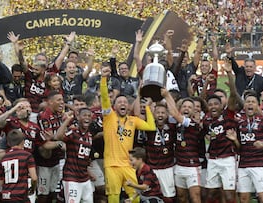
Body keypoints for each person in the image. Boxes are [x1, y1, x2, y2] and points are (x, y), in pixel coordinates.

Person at [100, 66, 156, 203]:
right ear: (114, 106)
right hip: (112, 165)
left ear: (128, 107)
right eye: (119, 102)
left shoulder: (133, 120)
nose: (123, 104)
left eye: (125, 102)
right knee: (113, 196)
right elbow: (105, 98)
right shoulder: (109, 117)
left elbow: (151, 127)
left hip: (128, 164)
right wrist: (103, 79)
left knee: (134, 196)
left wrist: (147, 108)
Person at [229, 92, 263, 203]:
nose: (250, 104)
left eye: (253, 102)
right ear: (244, 105)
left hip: (259, 165)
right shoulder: (239, 122)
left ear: (257, 106)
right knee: (244, 199)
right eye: (248, 102)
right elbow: (240, 148)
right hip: (243, 165)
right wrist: (235, 140)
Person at [202, 58, 239, 203]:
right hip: (212, 159)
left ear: (220, 105)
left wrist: (229, 73)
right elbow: (201, 99)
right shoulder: (206, 120)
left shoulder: (228, 114)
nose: (213, 106)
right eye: (210, 104)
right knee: (211, 195)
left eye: (216, 104)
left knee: (229, 196)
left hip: (228, 160)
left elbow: (234, 96)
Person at [161, 88, 205, 203]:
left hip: (192, 167)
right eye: (184, 106)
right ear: (181, 108)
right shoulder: (176, 124)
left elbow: (175, 114)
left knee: (195, 197)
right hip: (179, 165)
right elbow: (171, 114)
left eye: (190, 107)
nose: (187, 108)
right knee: (181, 198)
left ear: (193, 111)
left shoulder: (192, 124)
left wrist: (167, 95)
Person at [55, 108, 94, 203]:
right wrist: (67, 121)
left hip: (84, 178)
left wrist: (89, 173)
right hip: (71, 177)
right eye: (84, 115)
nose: (87, 118)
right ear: (78, 117)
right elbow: (58, 137)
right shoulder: (73, 132)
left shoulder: (89, 136)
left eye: (89, 116)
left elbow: (83, 158)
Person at [0, 129, 37, 203]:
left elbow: (1, 181)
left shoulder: (4, 158)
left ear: (8, 143)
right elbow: (34, 178)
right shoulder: (27, 155)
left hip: (6, 196)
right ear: (23, 142)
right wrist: (33, 189)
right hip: (20, 196)